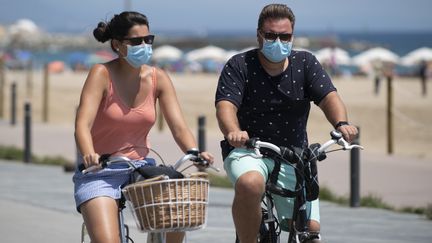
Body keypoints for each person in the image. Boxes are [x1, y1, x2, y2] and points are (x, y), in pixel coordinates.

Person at [215, 4, 358, 243]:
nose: (278, 41)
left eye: (285, 36)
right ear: (259, 35)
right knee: (250, 184)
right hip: (250, 149)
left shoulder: (305, 62)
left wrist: (341, 123)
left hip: (294, 155)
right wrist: (233, 131)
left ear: (292, 36)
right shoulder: (239, 65)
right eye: (271, 35)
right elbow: (226, 105)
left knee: (309, 230)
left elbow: (329, 97)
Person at [72, 11, 214, 243]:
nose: (144, 46)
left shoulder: (158, 77)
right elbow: (82, 124)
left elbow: (178, 127)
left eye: (148, 40)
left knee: (177, 216)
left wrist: (194, 152)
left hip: (141, 168)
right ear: (118, 44)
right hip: (100, 171)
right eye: (136, 41)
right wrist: (89, 154)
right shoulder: (101, 73)